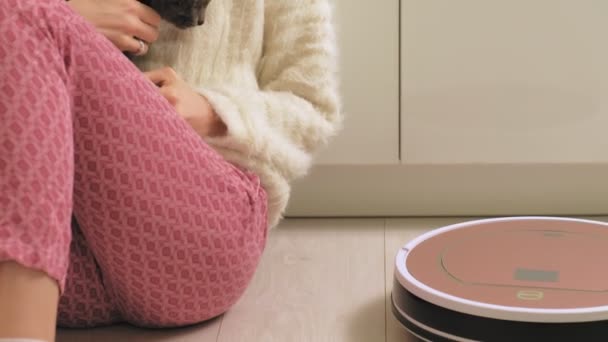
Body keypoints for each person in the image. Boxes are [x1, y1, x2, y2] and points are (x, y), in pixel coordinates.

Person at [0, 0, 341, 340]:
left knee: (19, 12)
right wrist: (69, 12)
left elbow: (311, 109)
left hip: (199, 237)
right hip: (61, 240)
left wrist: (211, 111)